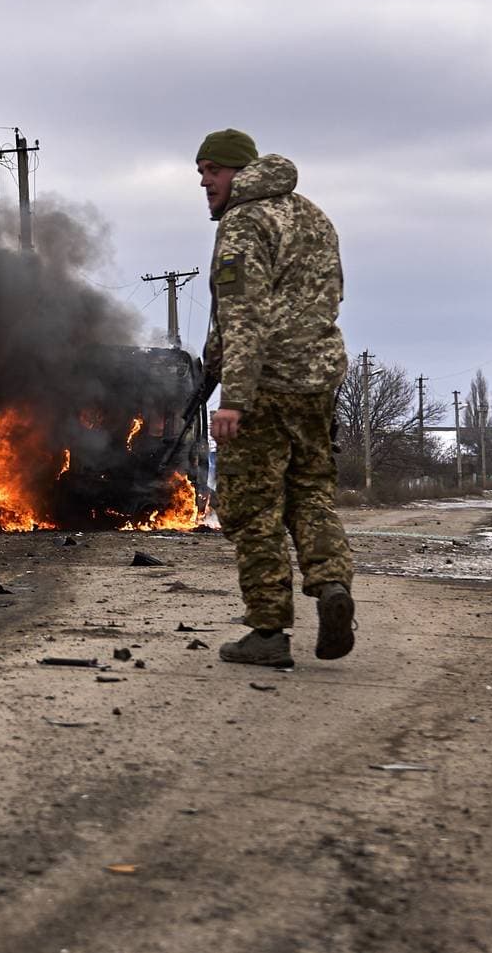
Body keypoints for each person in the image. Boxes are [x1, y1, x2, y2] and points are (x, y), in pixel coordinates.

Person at [196, 129, 355, 668]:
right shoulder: (313, 216)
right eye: (201, 171)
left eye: (213, 170)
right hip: (318, 385)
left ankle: (268, 632)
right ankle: (332, 584)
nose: (204, 181)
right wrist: (210, 365)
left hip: (263, 387)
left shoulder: (245, 221)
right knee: (310, 494)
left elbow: (243, 316)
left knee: (253, 509)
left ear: (240, 172)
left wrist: (233, 398)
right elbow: (330, 298)